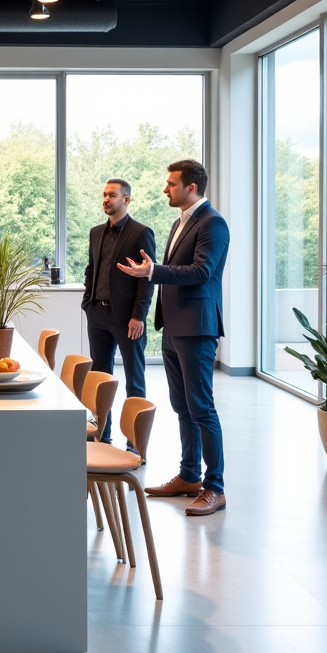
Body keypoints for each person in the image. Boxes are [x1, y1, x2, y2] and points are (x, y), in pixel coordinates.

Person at [117, 159, 230, 516]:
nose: (165, 189)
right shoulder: (180, 222)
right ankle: (188, 476)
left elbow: (202, 271)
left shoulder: (213, 224)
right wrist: (153, 273)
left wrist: (153, 271)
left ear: (191, 187)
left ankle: (215, 487)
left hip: (197, 329)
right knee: (182, 407)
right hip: (175, 328)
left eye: (171, 184)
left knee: (202, 409)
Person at [81, 178, 156, 449]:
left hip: (127, 319)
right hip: (97, 315)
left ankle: (135, 443)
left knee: (134, 379)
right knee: (100, 379)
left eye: (112, 195)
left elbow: (146, 279)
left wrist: (139, 315)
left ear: (126, 199)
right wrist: (87, 301)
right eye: (104, 194)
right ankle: (102, 435)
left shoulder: (141, 233)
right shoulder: (95, 232)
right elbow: (91, 269)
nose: (106, 199)